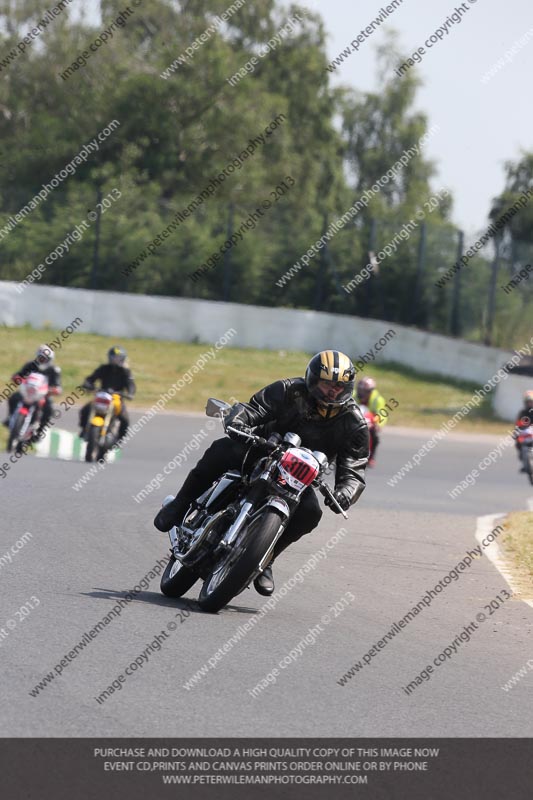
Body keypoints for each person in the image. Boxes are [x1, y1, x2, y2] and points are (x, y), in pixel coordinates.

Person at [154, 350, 369, 596]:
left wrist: (345, 492)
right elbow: (254, 408)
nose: (333, 391)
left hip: (300, 476)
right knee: (222, 450)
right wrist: (239, 421)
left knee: (311, 512)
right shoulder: (289, 390)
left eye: (339, 386)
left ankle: (266, 558)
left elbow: (355, 469)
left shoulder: (354, 422)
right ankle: (180, 504)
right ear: (312, 379)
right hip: (263, 450)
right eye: (327, 383)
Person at [79, 346, 135, 441]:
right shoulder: (104, 368)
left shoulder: (126, 372)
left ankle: (120, 439)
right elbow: (91, 378)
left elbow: (131, 385)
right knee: (85, 410)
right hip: (102, 395)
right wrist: (88, 384)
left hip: (117, 398)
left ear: (122, 359)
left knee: (125, 419)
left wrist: (130, 393)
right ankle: (84, 430)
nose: (115, 360)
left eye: (117, 358)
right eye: (113, 357)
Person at [4, 345, 62, 437]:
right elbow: (19, 375)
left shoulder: (54, 370)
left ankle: (41, 428)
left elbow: (57, 386)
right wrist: (16, 378)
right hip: (27, 392)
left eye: (46, 359)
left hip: (43, 394)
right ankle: (10, 417)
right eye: (41, 358)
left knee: (49, 407)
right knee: (13, 398)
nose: (43, 360)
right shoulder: (30, 365)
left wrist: (54, 390)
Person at [355, 376, 387, 466]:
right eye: (360, 390)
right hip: (355, 419)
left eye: (365, 391)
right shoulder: (353, 395)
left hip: (371, 421)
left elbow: (382, 414)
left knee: (375, 436)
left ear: (370, 391)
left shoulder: (378, 400)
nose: (361, 394)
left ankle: (371, 457)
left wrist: (377, 424)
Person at [514, 390, 533, 471]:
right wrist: (516, 432)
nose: (529, 403)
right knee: (518, 443)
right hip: (527, 433)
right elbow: (518, 424)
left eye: (531, 402)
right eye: (528, 402)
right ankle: (524, 463)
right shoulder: (522, 412)